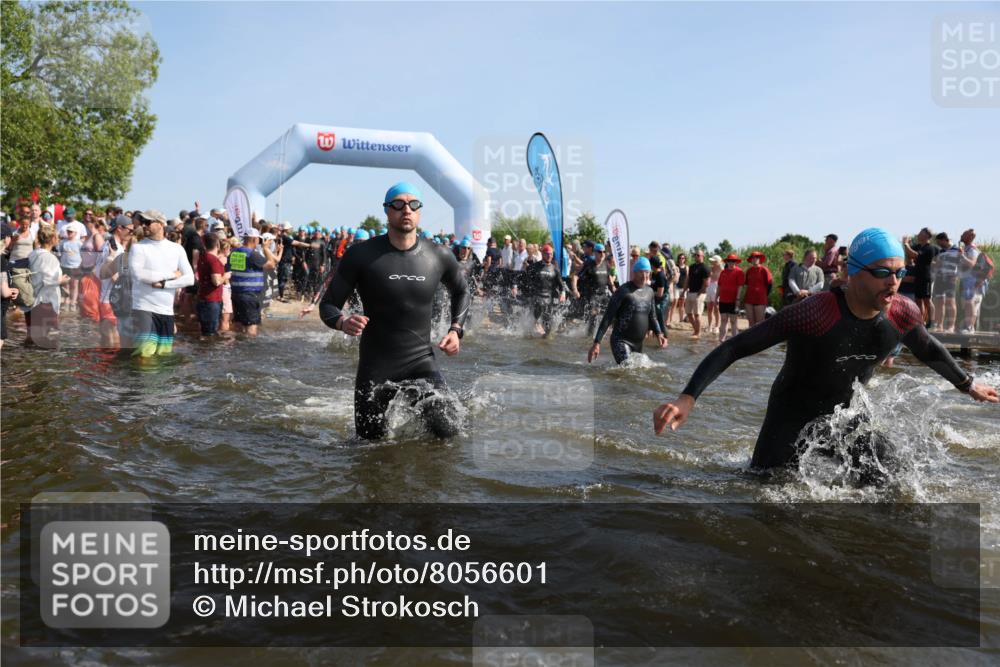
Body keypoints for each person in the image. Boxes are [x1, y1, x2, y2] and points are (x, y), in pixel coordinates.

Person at [653, 227, 999, 472]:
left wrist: (967, 385)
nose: (893, 281)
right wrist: (688, 397)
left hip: (846, 419)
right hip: (790, 418)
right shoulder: (815, 312)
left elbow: (930, 349)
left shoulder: (901, 312)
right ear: (852, 273)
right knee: (763, 495)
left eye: (899, 272)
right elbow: (735, 347)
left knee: (893, 480)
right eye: (882, 272)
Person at [318, 182, 470, 440]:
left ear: (420, 211)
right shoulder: (361, 255)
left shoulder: (438, 255)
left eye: (413, 204)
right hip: (375, 368)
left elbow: (462, 291)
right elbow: (328, 305)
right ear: (387, 211)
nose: (406, 210)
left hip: (421, 362)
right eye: (398, 204)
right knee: (369, 447)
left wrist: (456, 331)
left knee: (449, 433)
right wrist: (343, 323)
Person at [128, 209, 194, 358]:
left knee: (163, 357)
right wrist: (171, 275)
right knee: (144, 356)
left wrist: (165, 285)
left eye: (148, 222)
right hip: (143, 309)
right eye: (142, 222)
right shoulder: (138, 247)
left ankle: (158, 382)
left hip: (166, 312)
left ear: (161, 224)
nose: (143, 225)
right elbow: (138, 274)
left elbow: (189, 279)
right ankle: (139, 382)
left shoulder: (177, 249)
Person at [589, 257, 667, 365]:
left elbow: (652, 316)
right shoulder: (623, 291)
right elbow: (608, 317)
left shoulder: (649, 292)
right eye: (641, 272)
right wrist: (597, 343)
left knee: (635, 373)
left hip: (638, 343)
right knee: (629, 370)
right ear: (634, 272)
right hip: (620, 341)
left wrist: (659, 333)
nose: (644, 276)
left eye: (647, 272)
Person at [226, 227, 278, 337]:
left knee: (238, 324)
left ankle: (236, 349)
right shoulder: (252, 254)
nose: (259, 242)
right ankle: (249, 350)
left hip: (236, 294)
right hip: (249, 295)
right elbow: (271, 264)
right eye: (259, 239)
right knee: (251, 326)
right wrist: (266, 248)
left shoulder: (234, 253)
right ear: (254, 239)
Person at [27, 227, 69, 347]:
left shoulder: (33, 253)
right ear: (52, 239)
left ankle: (29, 360)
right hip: (45, 301)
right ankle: (44, 364)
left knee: (32, 336)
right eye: (56, 237)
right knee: (46, 338)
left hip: (33, 299)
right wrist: (62, 280)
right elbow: (48, 279)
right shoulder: (50, 257)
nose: (58, 239)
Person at [522, 243, 567, 336]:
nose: (549, 256)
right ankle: (534, 325)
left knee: (548, 328)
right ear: (542, 254)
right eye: (547, 254)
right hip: (536, 296)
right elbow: (524, 278)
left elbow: (561, 284)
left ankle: (544, 341)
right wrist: (517, 287)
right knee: (539, 305)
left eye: (551, 254)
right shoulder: (534, 267)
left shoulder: (555, 269)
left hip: (548, 299)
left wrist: (563, 293)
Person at [196, 234, 230, 336]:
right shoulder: (213, 260)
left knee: (205, 332)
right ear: (218, 245)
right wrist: (226, 276)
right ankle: (209, 351)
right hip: (212, 300)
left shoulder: (203, 257)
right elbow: (216, 281)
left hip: (203, 298)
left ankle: (202, 351)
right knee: (210, 333)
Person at [903, 228, 938, 328]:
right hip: (917, 276)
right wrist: (907, 244)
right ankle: (921, 321)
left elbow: (915, 255)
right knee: (918, 300)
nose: (918, 234)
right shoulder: (918, 246)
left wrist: (906, 244)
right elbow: (909, 253)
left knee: (927, 300)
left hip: (925, 277)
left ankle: (932, 322)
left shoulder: (929, 248)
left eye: (921, 233)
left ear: (927, 236)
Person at [930, 232, 961, 333]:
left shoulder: (957, 249)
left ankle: (951, 327)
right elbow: (934, 264)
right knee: (939, 302)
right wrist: (935, 264)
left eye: (939, 242)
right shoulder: (940, 251)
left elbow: (962, 265)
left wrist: (957, 276)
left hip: (950, 278)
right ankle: (939, 325)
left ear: (944, 240)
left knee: (950, 302)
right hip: (939, 278)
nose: (938, 244)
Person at [957, 228, 986, 333]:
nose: (961, 235)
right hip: (968, 280)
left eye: (963, 234)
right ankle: (968, 326)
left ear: (969, 237)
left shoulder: (972, 250)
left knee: (971, 303)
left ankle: (969, 328)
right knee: (968, 304)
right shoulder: (967, 248)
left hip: (972, 280)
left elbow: (973, 264)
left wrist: (962, 256)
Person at [716, 253, 744, 341]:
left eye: (733, 261)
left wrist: (738, 299)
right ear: (727, 262)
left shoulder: (739, 272)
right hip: (723, 300)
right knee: (723, 320)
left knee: (733, 321)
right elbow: (719, 286)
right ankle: (721, 340)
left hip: (733, 300)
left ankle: (735, 341)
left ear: (736, 262)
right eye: (729, 261)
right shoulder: (723, 272)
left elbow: (740, 286)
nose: (731, 263)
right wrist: (716, 297)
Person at [684, 250, 709, 339]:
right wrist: (684, 291)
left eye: (698, 255)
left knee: (697, 314)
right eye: (695, 255)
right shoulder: (692, 267)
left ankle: (698, 333)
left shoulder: (705, 268)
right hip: (690, 292)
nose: (696, 256)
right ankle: (696, 330)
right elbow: (688, 279)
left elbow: (706, 283)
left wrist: (699, 293)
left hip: (699, 293)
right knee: (688, 313)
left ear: (703, 256)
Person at [743, 251, 772, 327]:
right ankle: (751, 339)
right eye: (753, 257)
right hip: (749, 299)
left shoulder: (764, 270)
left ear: (760, 259)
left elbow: (770, 284)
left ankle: (760, 339)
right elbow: (746, 285)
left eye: (757, 257)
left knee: (759, 324)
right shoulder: (749, 270)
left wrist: (764, 295)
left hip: (760, 300)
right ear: (751, 259)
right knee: (751, 323)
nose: (755, 259)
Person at [57, 227, 83, 310]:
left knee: (75, 284)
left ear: (75, 233)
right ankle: (66, 301)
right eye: (68, 232)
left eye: (71, 232)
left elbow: (83, 254)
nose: (69, 233)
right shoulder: (63, 242)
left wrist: (81, 265)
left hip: (76, 266)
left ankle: (73, 303)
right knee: (65, 285)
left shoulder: (79, 243)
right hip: (65, 265)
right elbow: (59, 252)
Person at [705, 255, 722, 332]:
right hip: (709, 288)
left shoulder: (722, 269)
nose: (711, 262)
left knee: (716, 308)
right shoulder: (710, 268)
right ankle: (709, 326)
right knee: (709, 308)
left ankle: (717, 326)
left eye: (713, 261)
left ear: (717, 261)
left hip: (717, 288)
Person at [671, 253, 688, 325]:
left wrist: (687, 287)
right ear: (678, 259)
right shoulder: (676, 266)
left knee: (682, 304)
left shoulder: (686, 267)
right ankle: (670, 319)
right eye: (680, 258)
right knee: (674, 303)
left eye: (683, 258)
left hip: (683, 287)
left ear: (685, 259)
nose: (681, 259)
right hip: (676, 286)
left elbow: (687, 277)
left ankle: (681, 320)